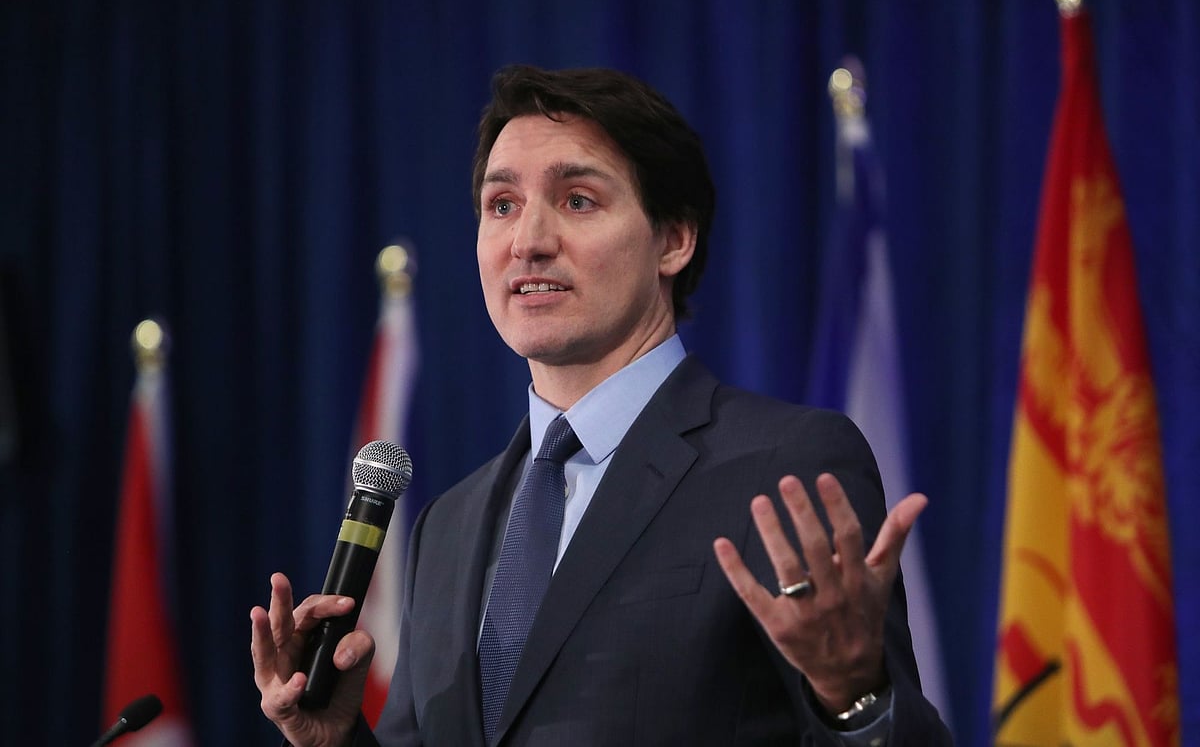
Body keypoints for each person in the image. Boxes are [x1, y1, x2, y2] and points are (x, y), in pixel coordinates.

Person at [252, 65, 952, 746]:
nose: (529, 241)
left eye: (578, 200)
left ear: (673, 239)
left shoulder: (781, 464)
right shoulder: (447, 525)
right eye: (502, 205)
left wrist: (854, 698)